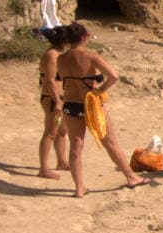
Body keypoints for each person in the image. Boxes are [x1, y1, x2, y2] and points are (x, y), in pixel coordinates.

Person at [55, 23, 149, 197]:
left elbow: (61, 80)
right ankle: (131, 177)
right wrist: (101, 89)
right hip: (90, 104)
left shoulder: (61, 58)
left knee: (76, 146)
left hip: (70, 104)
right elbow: (114, 76)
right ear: (85, 37)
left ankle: (79, 187)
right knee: (110, 142)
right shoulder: (91, 56)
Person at [36, 27, 67, 179]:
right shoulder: (52, 56)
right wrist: (58, 102)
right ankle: (44, 168)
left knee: (62, 131)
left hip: (59, 99)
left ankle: (62, 161)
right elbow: (49, 81)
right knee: (50, 132)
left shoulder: (57, 54)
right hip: (53, 100)